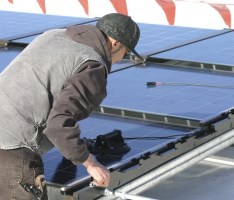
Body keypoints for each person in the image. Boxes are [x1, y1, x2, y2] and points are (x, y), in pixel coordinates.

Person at [0, 13, 143, 200]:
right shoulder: (93, 66)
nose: (122, 58)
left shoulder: (54, 35)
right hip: (12, 145)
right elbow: (58, 124)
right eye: (126, 52)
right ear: (115, 43)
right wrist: (90, 163)